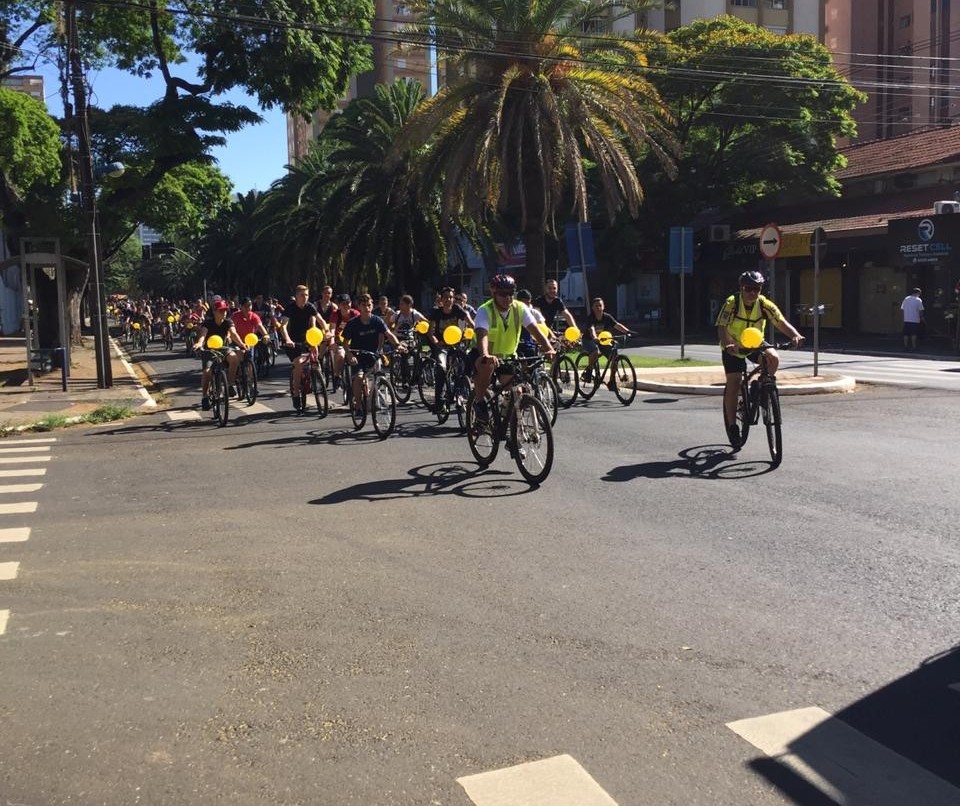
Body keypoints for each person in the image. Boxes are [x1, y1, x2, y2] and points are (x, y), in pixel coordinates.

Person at [716, 270, 804, 448]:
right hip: (734, 345)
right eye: (748, 289)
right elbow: (722, 326)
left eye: (757, 289)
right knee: (734, 382)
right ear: (741, 288)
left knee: (773, 358)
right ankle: (733, 425)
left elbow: (780, 321)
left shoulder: (764, 304)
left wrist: (795, 335)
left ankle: (763, 387)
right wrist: (728, 344)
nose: (752, 293)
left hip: (755, 343)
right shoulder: (732, 303)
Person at [472, 274, 555, 421]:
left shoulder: (519, 308)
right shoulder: (485, 310)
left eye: (511, 294)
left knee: (516, 394)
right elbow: (482, 335)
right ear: (494, 293)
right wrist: (486, 354)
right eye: (503, 294)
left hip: (508, 357)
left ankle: (510, 426)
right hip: (485, 356)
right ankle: (479, 402)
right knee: (487, 366)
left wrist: (549, 348)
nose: (508, 298)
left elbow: (535, 330)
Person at [341, 294, 405, 411]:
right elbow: (345, 342)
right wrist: (349, 354)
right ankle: (359, 405)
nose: (367, 308)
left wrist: (398, 345)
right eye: (364, 305)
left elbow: (389, 335)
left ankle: (375, 396)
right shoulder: (352, 323)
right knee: (359, 378)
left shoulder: (377, 321)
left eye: (369, 305)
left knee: (379, 373)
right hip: (357, 355)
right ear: (359, 307)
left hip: (373, 354)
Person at [280, 285, 329, 409]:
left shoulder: (310, 307)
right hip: (292, 342)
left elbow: (321, 320)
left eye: (306, 295)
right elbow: (283, 326)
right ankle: (296, 394)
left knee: (315, 356)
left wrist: (326, 330)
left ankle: (316, 378)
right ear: (296, 296)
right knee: (299, 363)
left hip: (307, 339)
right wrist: (288, 339)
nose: (305, 297)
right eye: (302, 295)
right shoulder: (290, 308)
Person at [193, 299, 247, 410]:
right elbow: (203, 334)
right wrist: (199, 343)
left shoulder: (228, 322)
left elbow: (233, 334)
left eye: (225, 310)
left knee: (234, 358)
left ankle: (230, 384)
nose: (224, 313)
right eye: (221, 311)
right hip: (210, 350)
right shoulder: (208, 323)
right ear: (214, 312)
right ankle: (204, 397)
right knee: (207, 372)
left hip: (223, 348)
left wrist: (242, 344)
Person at [580, 297, 631, 384]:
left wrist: (628, 332)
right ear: (592, 308)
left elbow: (617, 325)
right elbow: (591, 329)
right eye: (596, 306)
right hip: (588, 340)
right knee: (594, 351)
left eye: (600, 305)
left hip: (603, 340)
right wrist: (595, 337)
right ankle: (588, 372)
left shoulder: (607, 317)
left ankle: (611, 381)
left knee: (614, 356)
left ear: (603, 307)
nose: (598, 308)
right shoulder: (591, 318)